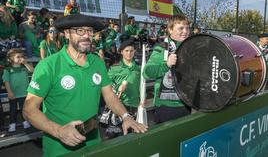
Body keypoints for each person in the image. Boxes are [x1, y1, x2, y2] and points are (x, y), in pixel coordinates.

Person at [23, 14, 147, 157]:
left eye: (89, 31)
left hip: (93, 145)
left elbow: (110, 96)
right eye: (80, 31)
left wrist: (126, 116)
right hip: (59, 150)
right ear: (67, 34)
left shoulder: (97, 63)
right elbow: (28, 109)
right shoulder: (48, 65)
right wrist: (59, 131)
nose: (86, 36)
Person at [143, 14, 191, 123]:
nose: (185, 31)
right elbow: (146, 72)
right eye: (181, 28)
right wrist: (167, 65)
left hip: (186, 102)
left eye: (187, 28)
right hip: (167, 106)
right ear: (170, 30)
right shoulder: (162, 48)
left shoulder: (190, 47)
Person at [2, 48, 34, 132]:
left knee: (23, 109)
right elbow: (6, 81)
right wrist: (9, 92)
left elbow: (32, 70)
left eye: (22, 56)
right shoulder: (7, 70)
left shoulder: (24, 68)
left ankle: (25, 121)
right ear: (11, 59)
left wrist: (26, 63)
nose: (21, 58)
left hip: (24, 93)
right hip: (13, 94)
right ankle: (12, 124)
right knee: (13, 110)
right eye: (18, 57)